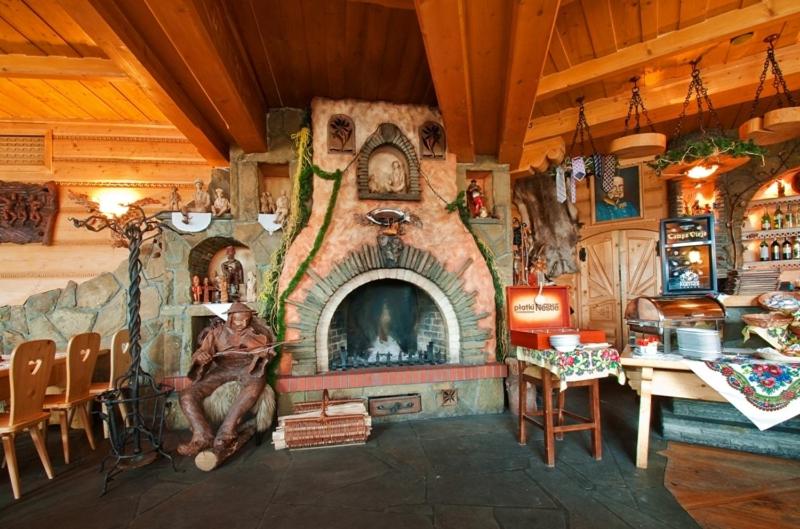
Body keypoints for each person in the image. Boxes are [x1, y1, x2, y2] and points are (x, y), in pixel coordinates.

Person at [177, 302, 276, 456]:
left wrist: (264, 355)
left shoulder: (256, 333)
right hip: (223, 369)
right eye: (239, 320)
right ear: (230, 318)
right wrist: (201, 357)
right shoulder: (216, 333)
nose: (243, 324)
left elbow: (266, 354)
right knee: (186, 395)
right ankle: (202, 435)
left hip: (248, 369)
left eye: (247, 320)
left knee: (254, 387)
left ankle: (226, 432)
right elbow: (200, 352)